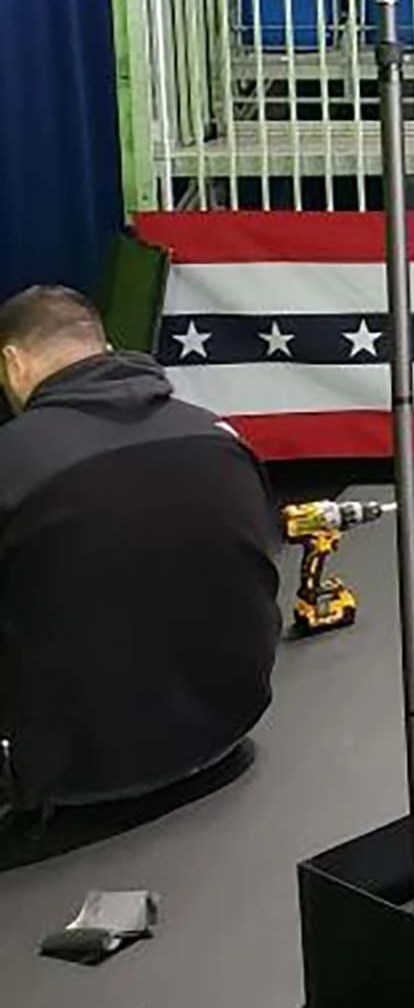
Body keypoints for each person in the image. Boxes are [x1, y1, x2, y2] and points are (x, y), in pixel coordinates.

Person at [0, 285, 279, 834]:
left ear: (12, 360)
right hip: (226, 736)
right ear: (102, 345)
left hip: (73, 784)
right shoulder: (215, 435)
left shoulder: (11, 463)